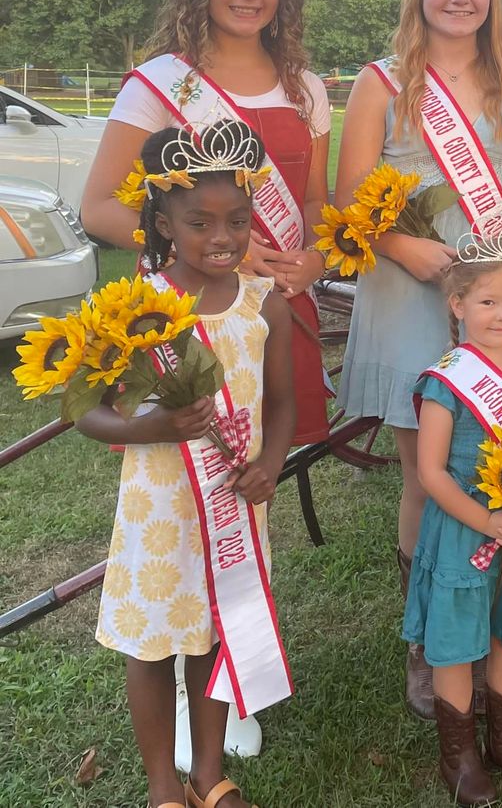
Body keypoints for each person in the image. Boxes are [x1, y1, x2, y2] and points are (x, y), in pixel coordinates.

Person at [333, 0, 502, 718]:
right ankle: (430, 645)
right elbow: (351, 193)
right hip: (411, 292)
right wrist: (406, 248)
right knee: (426, 477)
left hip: (496, 298)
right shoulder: (380, 80)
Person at [78, 119, 296, 808]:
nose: (223, 237)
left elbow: (284, 404)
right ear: (164, 226)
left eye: (237, 220)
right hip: (161, 507)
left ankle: (208, 771)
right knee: (152, 647)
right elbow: (84, 411)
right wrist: (155, 426)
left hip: (235, 502)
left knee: (212, 631)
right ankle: (162, 785)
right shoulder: (137, 310)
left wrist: (272, 462)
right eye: (198, 223)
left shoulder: (266, 305)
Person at [80, 0, 331, 448]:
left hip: (278, 304)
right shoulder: (158, 84)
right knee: (181, 465)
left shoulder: (307, 89)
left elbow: (315, 201)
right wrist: (220, 248)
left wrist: (316, 259)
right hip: (188, 310)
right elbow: (97, 210)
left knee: (262, 463)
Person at [402, 250, 502, 807]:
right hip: (463, 527)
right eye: (488, 301)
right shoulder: (448, 379)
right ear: (458, 304)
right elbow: (430, 472)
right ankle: (460, 754)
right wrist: (488, 521)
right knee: (453, 640)